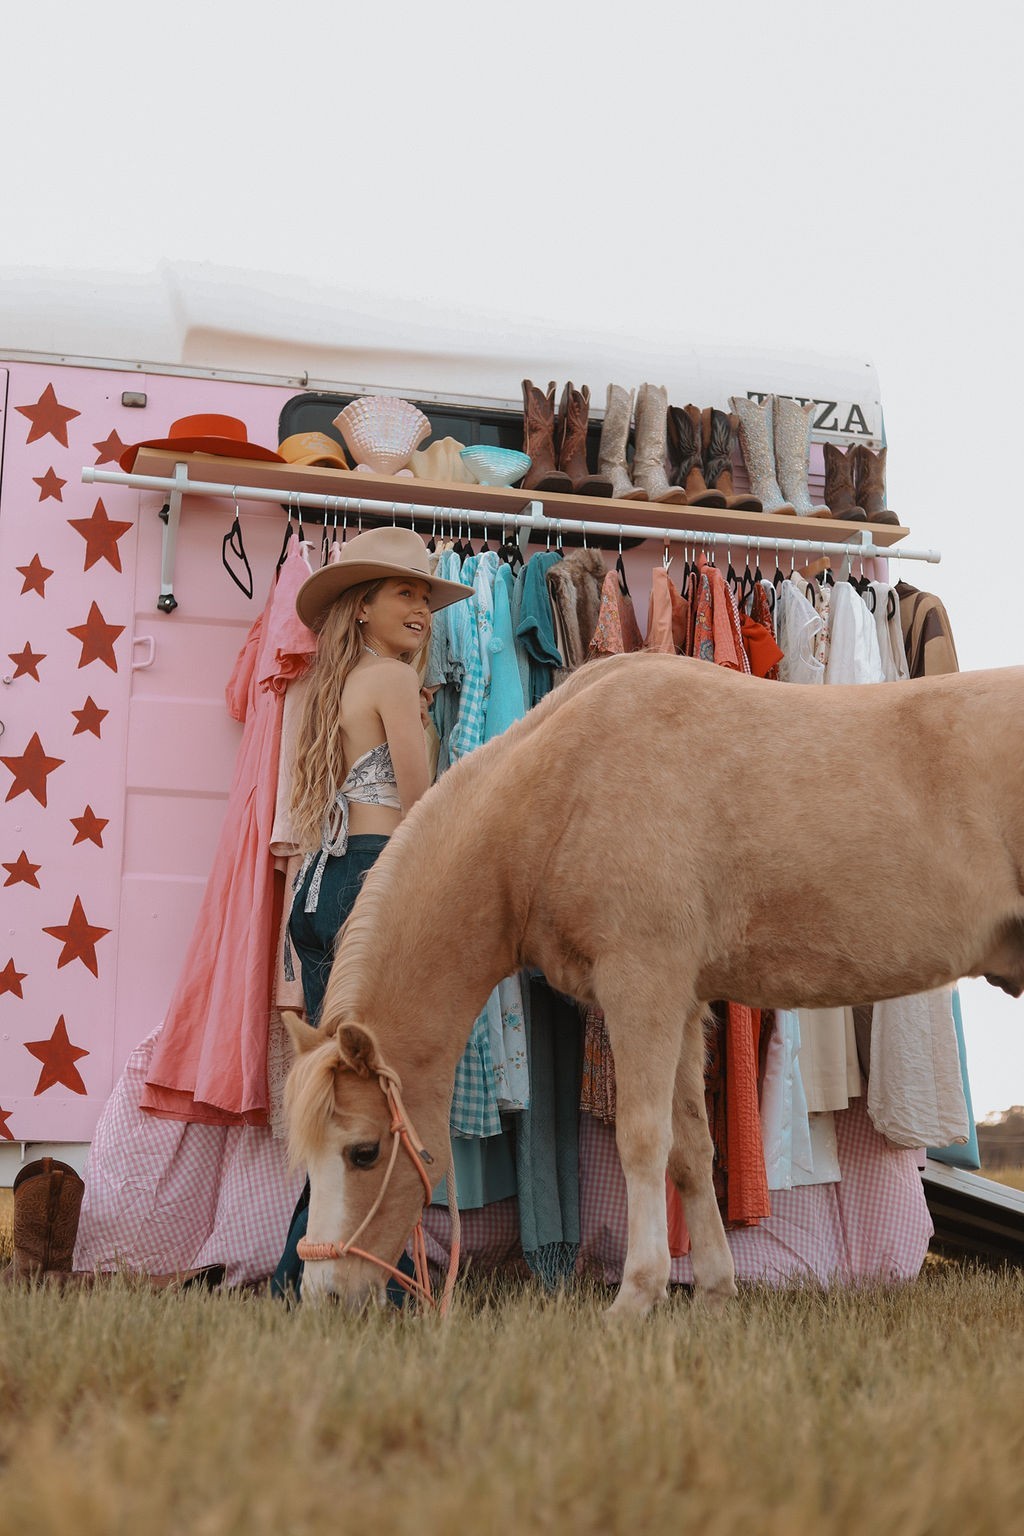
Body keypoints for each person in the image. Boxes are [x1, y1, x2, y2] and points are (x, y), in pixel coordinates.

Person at [271, 526, 473, 1298]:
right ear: (363, 607)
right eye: (404, 592)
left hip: (326, 887)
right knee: (372, 1098)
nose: (422, 606)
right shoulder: (389, 680)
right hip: (373, 881)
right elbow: (421, 805)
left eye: (425, 594)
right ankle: (341, 1275)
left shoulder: (340, 681)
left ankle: (314, 1275)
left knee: (339, 1095)